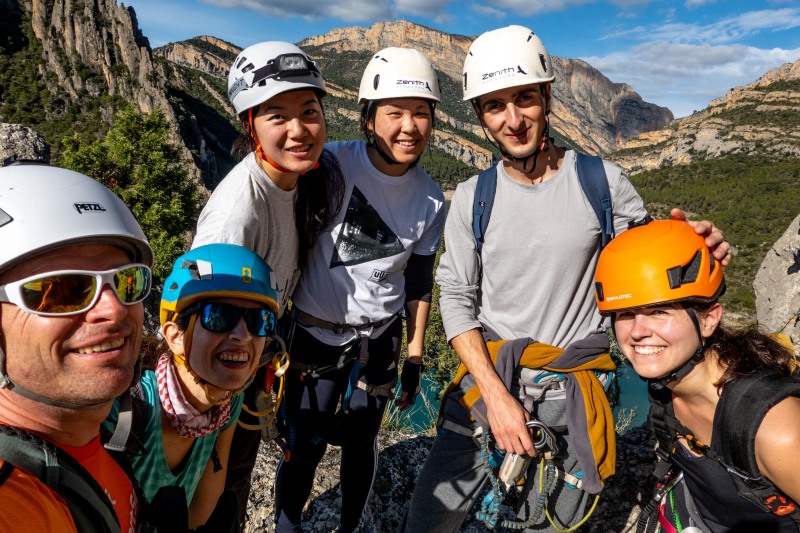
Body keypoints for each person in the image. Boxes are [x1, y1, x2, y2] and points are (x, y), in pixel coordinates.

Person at [401, 25, 731, 532]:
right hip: (490, 388)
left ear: (547, 96)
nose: (513, 120)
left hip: (574, 393)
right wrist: (496, 397)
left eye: (524, 99)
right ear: (481, 117)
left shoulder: (602, 183)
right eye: (495, 106)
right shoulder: (473, 198)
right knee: (427, 522)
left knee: (549, 524)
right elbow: (458, 300)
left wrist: (693, 249)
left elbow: (651, 269)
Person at [274, 47, 445, 533]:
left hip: (379, 341)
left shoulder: (431, 199)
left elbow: (417, 280)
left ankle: (351, 527)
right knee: (304, 443)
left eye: (421, 114)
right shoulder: (330, 164)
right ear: (369, 119)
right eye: (394, 113)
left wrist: (414, 355)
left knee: (362, 442)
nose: (409, 127)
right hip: (312, 335)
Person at [192, 41, 346, 527]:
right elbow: (203, 323)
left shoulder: (295, 181)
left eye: (310, 112)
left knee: (233, 489)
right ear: (250, 124)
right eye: (277, 115)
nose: (299, 130)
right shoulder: (238, 213)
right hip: (220, 382)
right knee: (220, 493)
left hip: (250, 363)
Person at [595, 218, 800, 532]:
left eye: (659, 312)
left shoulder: (774, 429)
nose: (637, 332)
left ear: (708, 321)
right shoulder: (665, 388)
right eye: (625, 314)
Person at [0, 163, 153, 532]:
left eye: (126, 281)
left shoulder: (98, 440)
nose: (114, 309)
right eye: (61, 291)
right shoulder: (13, 499)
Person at [103, 243, 282, 529]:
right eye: (219, 316)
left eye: (259, 321)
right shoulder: (122, 410)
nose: (242, 335)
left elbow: (201, 511)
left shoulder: (227, 403)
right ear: (175, 337)